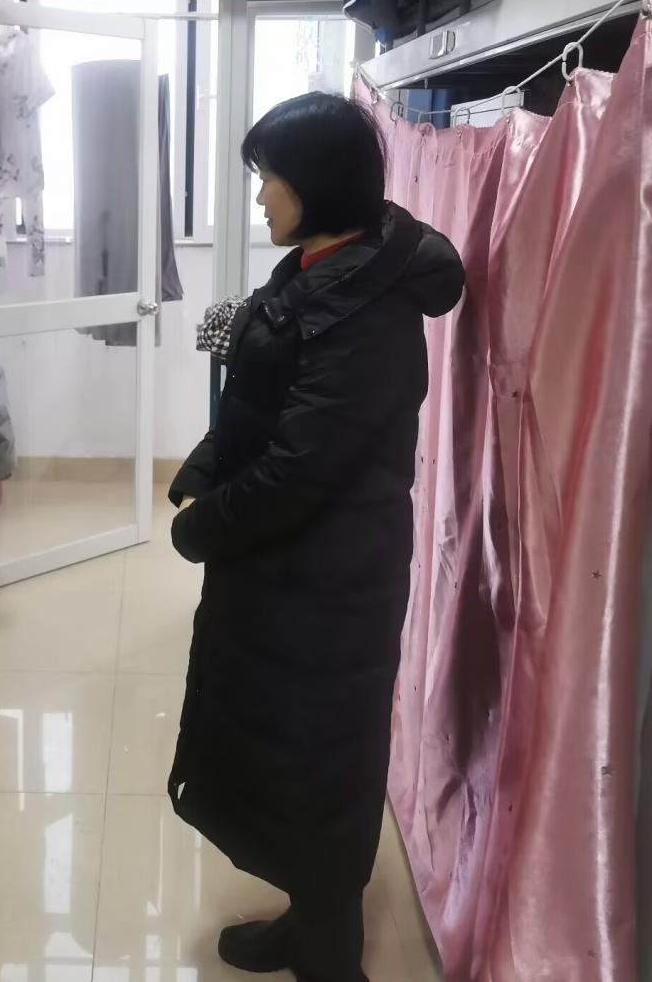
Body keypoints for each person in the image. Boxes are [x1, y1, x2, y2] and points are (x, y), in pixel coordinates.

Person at [167, 92, 464, 982]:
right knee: (286, 750)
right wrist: (205, 466)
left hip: (332, 580)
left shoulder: (367, 309)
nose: (260, 195)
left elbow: (302, 467)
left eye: (271, 177)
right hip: (289, 569)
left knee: (322, 759)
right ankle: (307, 921)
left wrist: (202, 527)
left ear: (319, 183)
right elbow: (261, 401)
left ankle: (333, 958)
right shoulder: (321, 265)